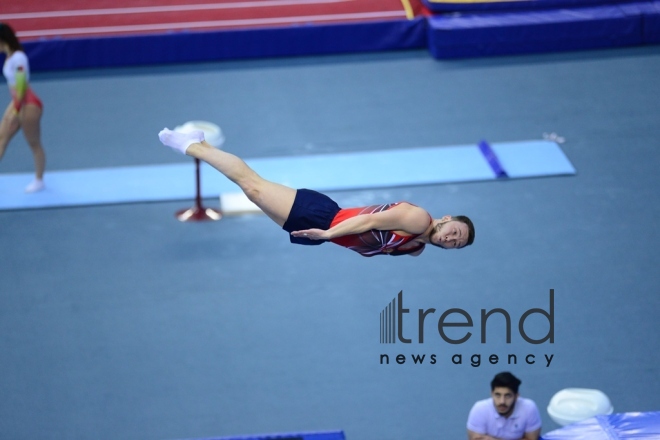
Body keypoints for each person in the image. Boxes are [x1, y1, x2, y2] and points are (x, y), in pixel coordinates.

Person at [158, 128, 475, 256]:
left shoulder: (415, 248)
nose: (450, 239)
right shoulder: (418, 220)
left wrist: (327, 236)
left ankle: (201, 143)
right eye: (454, 231)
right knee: (252, 186)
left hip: (323, 228)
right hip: (324, 217)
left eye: (456, 243)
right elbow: (367, 224)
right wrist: (327, 234)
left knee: (253, 188)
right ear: (446, 219)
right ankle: (189, 145)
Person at [0, 23, 46, 193]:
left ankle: (39, 180)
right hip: (18, 102)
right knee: (1, 138)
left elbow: (21, 86)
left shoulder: (19, 58)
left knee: (34, 144)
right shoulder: (9, 57)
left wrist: (15, 111)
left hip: (29, 105)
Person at [467, 372, 542, 440]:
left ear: (516, 396)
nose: (502, 401)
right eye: (497, 395)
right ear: (491, 394)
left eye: (507, 396)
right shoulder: (479, 409)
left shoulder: (529, 408)